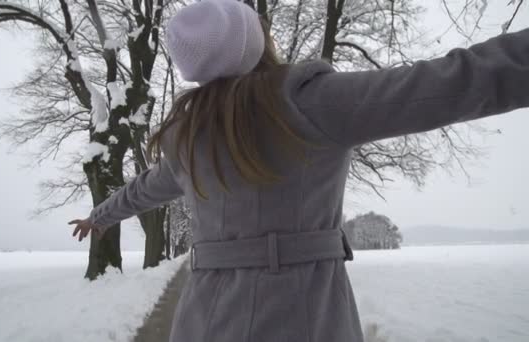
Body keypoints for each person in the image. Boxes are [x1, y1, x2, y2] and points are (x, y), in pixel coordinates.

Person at [68, 0, 529, 341]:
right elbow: (450, 82)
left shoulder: (188, 136)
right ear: (254, 40)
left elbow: (144, 189)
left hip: (204, 320)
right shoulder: (310, 102)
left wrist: (101, 216)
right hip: (301, 315)